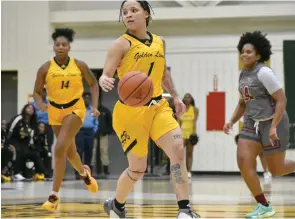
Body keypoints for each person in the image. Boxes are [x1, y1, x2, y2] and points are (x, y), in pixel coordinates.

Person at [99, 1, 200, 218]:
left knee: (178, 150)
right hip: (129, 113)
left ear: (146, 13)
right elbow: (106, 73)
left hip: (157, 106)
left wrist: (175, 96)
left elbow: (163, 72)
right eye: (125, 12)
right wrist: (104, 80)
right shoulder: (120, 44)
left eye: (134, 10)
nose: (129, 15)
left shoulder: (160, 42)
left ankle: (185, 209)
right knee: (137, 169)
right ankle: (117, 204)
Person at [223, 31, 295, 218]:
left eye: (249, 52)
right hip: (251, 123)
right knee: (243, 160)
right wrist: (230, 121)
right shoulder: (243, 74)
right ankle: (264, 205)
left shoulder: (264, 72)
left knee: (276, 170)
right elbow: (242, 103)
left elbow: (281, 100)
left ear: (258, 55)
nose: (244, 55)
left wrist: (273, 127)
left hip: (273, 122)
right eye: (243, 51)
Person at [33, 27, 100, 211]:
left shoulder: (79, 65)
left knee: (59, 148)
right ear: (53, 47)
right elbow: (37, 92)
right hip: (55, 111)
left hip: (75, 109)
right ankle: (84, 173)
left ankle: (54, 196)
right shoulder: (45, 68)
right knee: (70, 153)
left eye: (64, 44)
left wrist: (94, 106)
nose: (60, 47)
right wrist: (40, 105)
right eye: (57, 44)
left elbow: (94, 84)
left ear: (69, 47)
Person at [5, 104, 46, 181]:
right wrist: (7, 143)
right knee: (18, 150)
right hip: (13, 141)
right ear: (24, 109)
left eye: (32, 109)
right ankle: (16, 173)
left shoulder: (31, 123)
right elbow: (9, 130)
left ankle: (42, 173)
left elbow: (31, 137)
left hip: (24, 144)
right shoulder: (18, 118)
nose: (30, 109)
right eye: (28, 107)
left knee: (35, 153)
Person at [75, 92, 98, 178]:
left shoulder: (93, 110)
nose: (86, 100)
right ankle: (78, 172)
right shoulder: (78, 109)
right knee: (79, 152)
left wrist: (94, 130)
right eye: (85, 98)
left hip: (90, 132)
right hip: (80, 132)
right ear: (82, 99)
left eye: (88, 98)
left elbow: (96, 122)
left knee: (89, 152)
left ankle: (87, 172)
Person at [180, 93, 199, 178]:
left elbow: (194, 122)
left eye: (189, 97)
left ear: (191, 99)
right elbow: (179, 122)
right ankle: (181, 171)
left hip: (191, 133)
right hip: (182, 133)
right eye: (186, 97)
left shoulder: (194, 109)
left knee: (189, 153)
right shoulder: (180, 109)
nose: (187, 99)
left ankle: (188, 171)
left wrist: (194, 133)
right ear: (183, 99)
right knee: (180, 153)